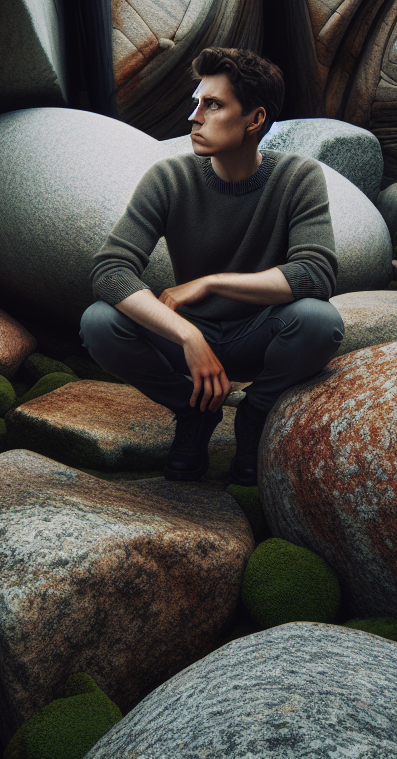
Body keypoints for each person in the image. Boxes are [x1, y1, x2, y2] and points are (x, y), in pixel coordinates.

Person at [81, 47, 344, 485]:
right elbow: (110, 270)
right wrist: (186, 334)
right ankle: (193, 413)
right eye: (196, 103)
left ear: (255, 120)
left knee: (319, 320)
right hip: (189, 337)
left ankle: (257, 413)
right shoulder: (169, 178)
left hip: (258, 336)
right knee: (99, 322)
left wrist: (210, 283)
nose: (194, 117)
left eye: (213, 105)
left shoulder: (298, 178)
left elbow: (315, 274)